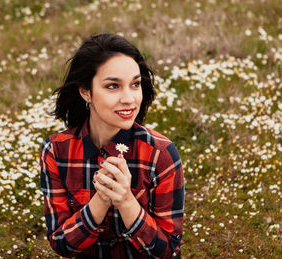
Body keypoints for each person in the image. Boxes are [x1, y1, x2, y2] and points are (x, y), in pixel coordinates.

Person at [40, 33, 184, 258]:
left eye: (135, 84)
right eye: (113, 86)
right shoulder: (56, 151)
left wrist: (126, 200)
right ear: (85, 91)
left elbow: (167, 251)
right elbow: (61, 244)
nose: (129, 98)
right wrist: (102, 199)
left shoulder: (161, 154)